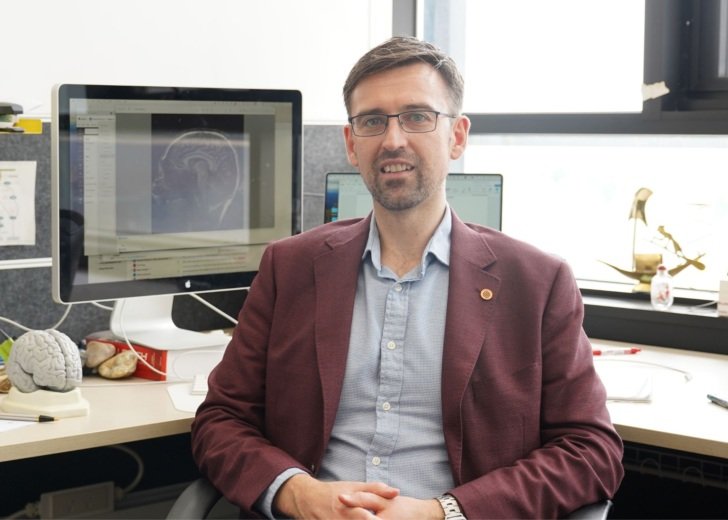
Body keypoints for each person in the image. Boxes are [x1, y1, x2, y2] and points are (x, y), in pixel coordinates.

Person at [191, 36, 624, 519]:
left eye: (418, 116)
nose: (393, 140)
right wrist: (301, 494)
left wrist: (442, 513)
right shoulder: (290, 268)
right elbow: (221, 421)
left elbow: (590, 451)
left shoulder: (537, 282)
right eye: (373, 121)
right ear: (352, 144)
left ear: (457, 136)